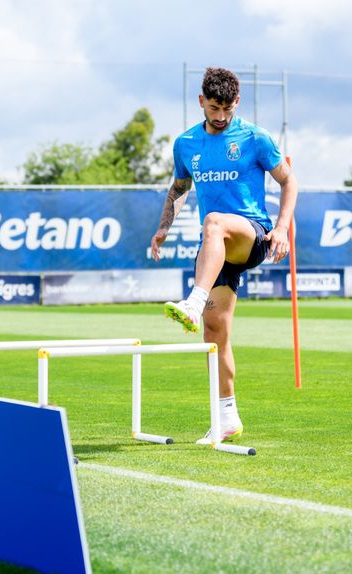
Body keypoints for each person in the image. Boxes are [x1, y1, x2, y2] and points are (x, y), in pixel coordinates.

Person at [149, 67, 298, 443]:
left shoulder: (255, 137)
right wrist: (164, 226)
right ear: (201, 101)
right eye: (214, 107)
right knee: (216, 334)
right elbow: (179, 187)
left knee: (213, 221)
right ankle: (227, 417)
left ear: (237, 103)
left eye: (227, 109)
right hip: (217, 251)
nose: (220, 115)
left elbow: (288, 180)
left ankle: (193, 301)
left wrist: (281, 228)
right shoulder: (186, 144)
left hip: (252, 234)